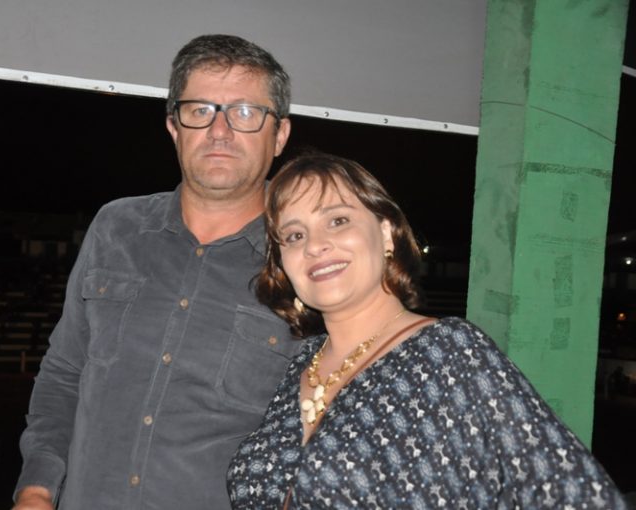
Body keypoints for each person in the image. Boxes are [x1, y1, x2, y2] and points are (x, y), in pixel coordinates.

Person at [227, 152, 628, 509]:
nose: (315, 245)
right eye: (294, 235)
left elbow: (579, 494)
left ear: (386, 234)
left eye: (338, 220)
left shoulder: (450, 352)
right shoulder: (299, 364)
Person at [13, 34, 301, 510]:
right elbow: (64, 374)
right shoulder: (115, 227)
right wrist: (36, 491)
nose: (220, 131)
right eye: (200, 110)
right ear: (173, 127)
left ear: (280, 135)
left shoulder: (304, 259)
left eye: (245, 112)